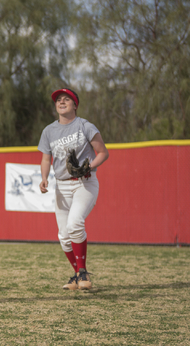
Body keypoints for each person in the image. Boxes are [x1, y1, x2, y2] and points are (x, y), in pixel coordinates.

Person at [38, 88, 109, 291]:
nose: (61, 101)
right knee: (63, 236)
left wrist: (90, 166)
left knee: (75, 223)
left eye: (66, 99)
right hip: (61, 186)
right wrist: (44, 178)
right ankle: (78, 275)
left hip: (84, 183)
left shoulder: (84, 126)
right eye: (58, 100)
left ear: (75, 105)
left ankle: (83, 272)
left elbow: (103, 153)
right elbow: (45, 158)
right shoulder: (48, 131)